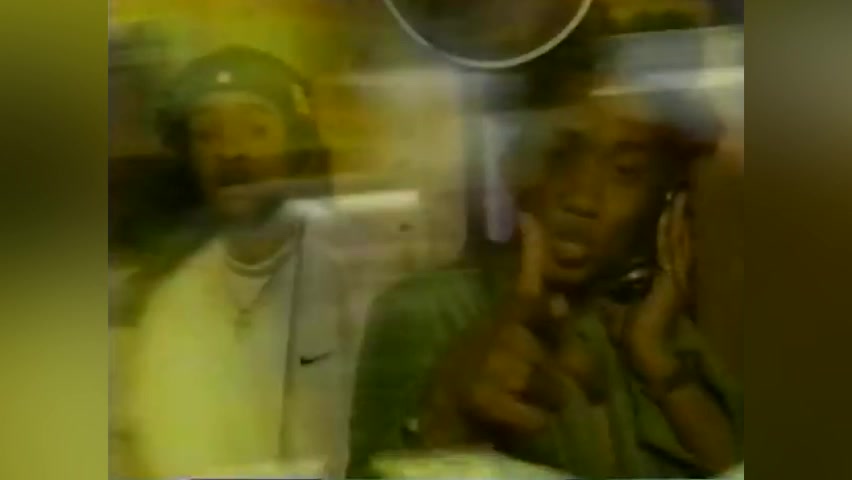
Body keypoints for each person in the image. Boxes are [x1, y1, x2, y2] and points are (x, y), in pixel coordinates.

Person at [348, 73, 743, 478]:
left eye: (625, 171)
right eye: (559, 156)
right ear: (514, 169)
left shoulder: (657, 333)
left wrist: (656, 360)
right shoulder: (427, 311)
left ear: (664, 205)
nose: (583, 199)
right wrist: (444, 416)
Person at [120, 45, 355, 479]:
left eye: (256, 130)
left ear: (295, 144)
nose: (231, 152)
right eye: (208, 135)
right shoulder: (176, 304)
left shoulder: (353, 271)